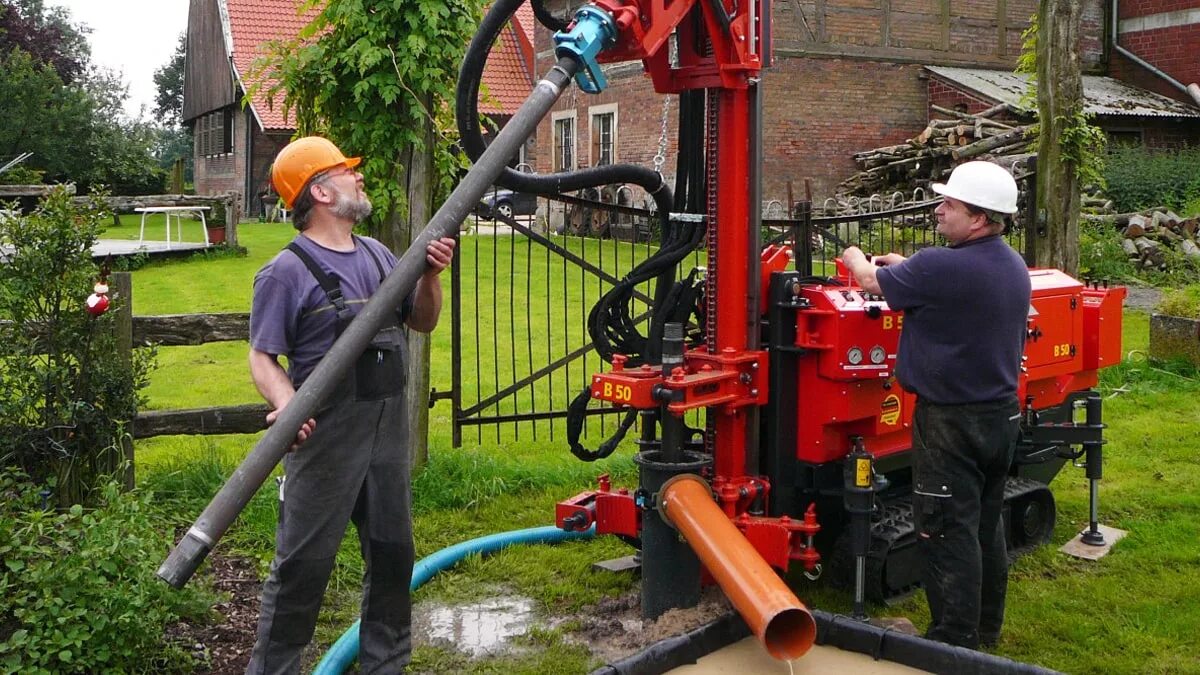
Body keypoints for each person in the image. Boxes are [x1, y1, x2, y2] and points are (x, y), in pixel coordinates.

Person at [246, 136, 456, 674]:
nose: (357, 178)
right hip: (326, 443)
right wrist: (287, 402)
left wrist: (430, 276)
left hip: (386, 438)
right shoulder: (285, 272)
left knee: (392, 560)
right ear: (319, 191)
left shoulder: (379, 255)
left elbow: (423, 322)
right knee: (301, 571)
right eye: (346, 172)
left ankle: (385, 666)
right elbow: (262, 357)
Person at [840, 160, 1031, 650]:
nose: (939, 211)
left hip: (950, 422)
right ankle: (984, 630)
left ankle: (951, 643)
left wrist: (857, 254)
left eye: (950, 205)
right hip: (1001, 415)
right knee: (984, 528)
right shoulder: (1008, 262)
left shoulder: (940, 266)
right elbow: (940, 282)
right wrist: (906, 267)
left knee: (946, 532)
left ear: (981, 219)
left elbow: (866, 281)